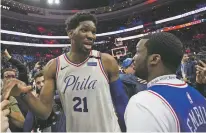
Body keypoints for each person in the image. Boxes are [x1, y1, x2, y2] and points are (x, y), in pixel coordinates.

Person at [3, 12, 128, 132]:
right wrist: (24, 94)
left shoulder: (106, 61)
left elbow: (121, 104)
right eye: (84, 30)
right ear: (70, 33)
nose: (91, 36)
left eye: (93, 32)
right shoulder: (54, 66)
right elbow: (44, 112)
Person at [124, 32, 206, 132]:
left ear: (154, 59)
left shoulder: (143, 103)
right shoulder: (198, 95)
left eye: (137, 52)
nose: (133, 58)